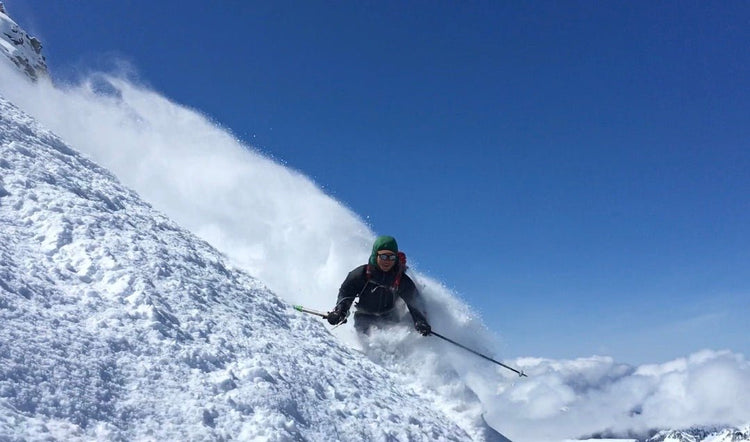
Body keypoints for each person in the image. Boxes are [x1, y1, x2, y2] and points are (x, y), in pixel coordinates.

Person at [327, 235, 432, 336]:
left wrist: (420, 321)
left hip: (390, 318)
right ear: (375, 255)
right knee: (366, 343)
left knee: (392, 346)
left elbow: (414, 301)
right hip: (364, 316)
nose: (387, 261)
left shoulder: (401, 280)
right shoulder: (362, 274)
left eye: (391, 257)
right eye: (383, 256)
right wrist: (340, 311)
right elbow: (347, 292)